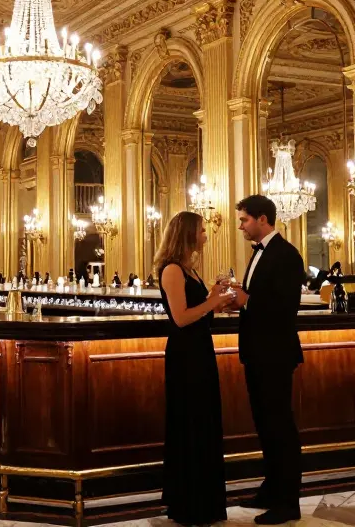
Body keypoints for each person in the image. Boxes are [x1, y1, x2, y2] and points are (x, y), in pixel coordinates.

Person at [226, 195, 306, 525]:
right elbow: (259, 301)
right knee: (264, 424)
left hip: (275, 353)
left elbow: (285, 308)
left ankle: (289, 502)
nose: (241, 226)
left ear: (262, 219)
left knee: (280, 426)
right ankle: (271, 489)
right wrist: (240, 302)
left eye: (244, 220)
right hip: (257, 352)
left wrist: (246, 300)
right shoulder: (260, 254)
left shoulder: (286, 255)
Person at [155, 211, 235, 525]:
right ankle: (188, 503)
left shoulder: (191, 269)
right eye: (202, 230)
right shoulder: (172, 270)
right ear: (188, 234)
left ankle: (206, 501)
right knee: (189, 423)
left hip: (201, 350)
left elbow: (199, 310)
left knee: (204, 422)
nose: (206, 234)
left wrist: (216, 296)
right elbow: (182, 317)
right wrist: (213, 302)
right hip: (185, 355)